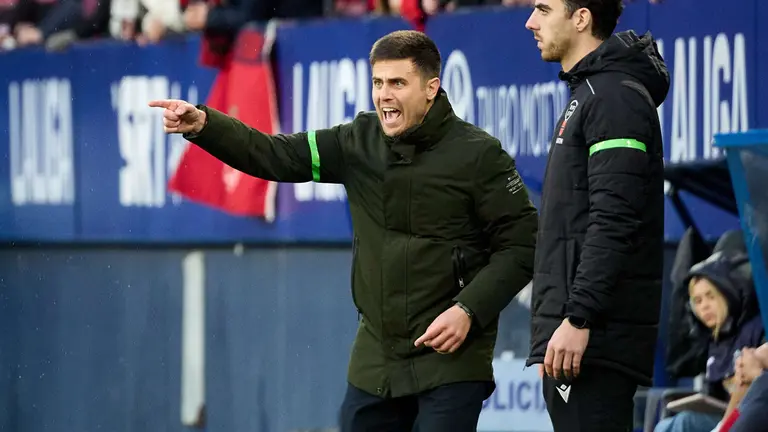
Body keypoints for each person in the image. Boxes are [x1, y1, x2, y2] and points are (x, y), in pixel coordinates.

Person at [149, 30, 538, 431]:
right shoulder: (357, 140)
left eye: (398, 83)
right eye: (378, 83)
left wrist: (468, 309)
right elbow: (275, 155)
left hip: (451, 358)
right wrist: (205, 125)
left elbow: (523, 245)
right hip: (377, 359)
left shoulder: (479, 154)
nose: (384, 95)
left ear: (431, 88)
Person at [524, 0, 670, 430]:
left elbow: (614, 219)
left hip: (594, 341)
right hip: (575, 340)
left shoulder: (614, 98)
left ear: (581, 18)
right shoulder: (589, 93)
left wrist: (578, 318)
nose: (530, 22)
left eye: (543, 9)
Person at [653, 252, 764, 432]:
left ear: (726, 294)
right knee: (663, 426)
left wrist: (722, 427)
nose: (704, 306)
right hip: (723, 415)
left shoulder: (756, 330)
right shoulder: (713, 342)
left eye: (711, 296)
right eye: (697, 301)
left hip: (748, 417)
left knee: (685, 422)